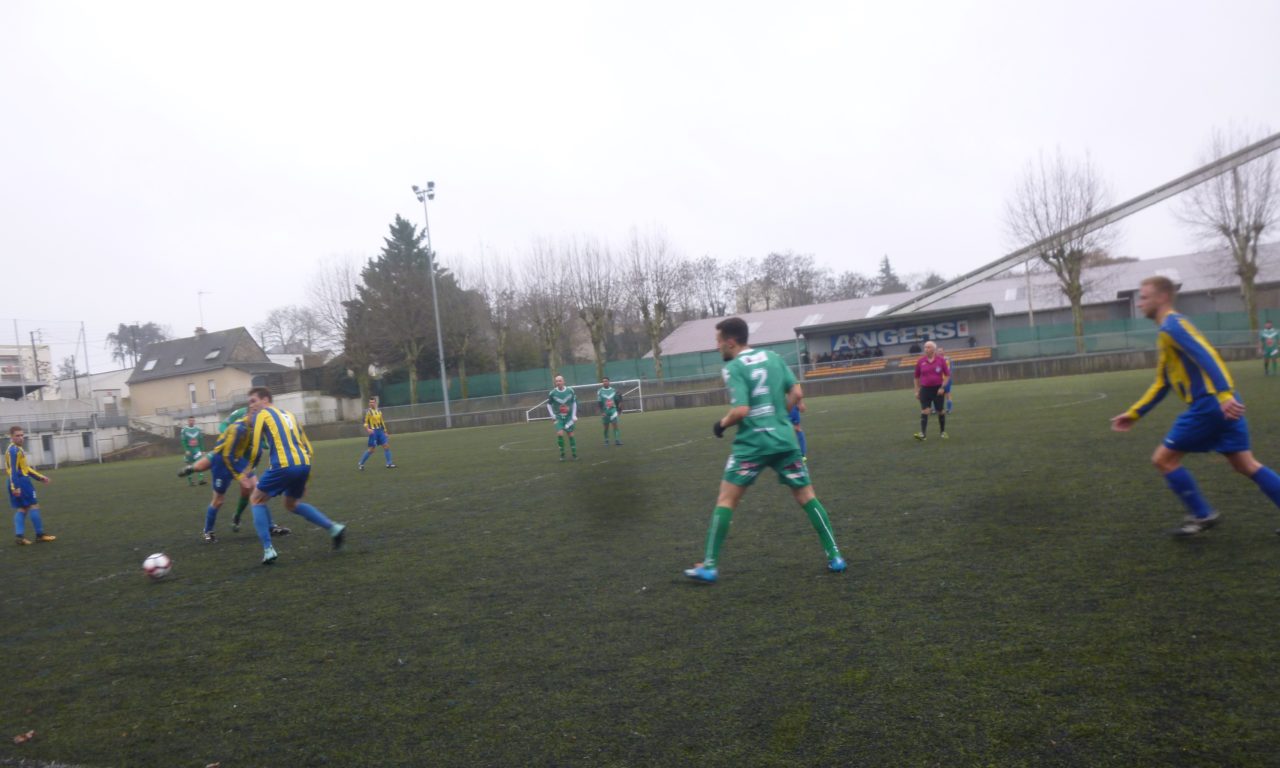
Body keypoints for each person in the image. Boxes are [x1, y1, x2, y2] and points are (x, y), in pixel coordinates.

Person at [1110, 276, 1280, 536]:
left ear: (1163, 297)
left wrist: (1223, 395)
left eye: (1144, 297)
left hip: (1209, 405)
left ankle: (1202, 515)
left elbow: (1206, 355)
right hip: (1222, 403)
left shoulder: (1172, 326)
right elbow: (1163, 381)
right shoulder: (1169, 330)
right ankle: (1202, 514)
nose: (1139, 303)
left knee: (1164, 460)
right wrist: (1134, 413)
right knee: (1245, 465)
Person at [683, 317, 845, 583]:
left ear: (731, 342)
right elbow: (797, 393)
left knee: (726, 500)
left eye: (719, 342)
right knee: (807, 497)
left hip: (753, 444)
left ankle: (710, 565)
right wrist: (781, 414)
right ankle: (835, 555)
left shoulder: (734, 367)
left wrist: (721, 425)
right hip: (784, 440)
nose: (717, 347)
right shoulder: (773, 357)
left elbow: (741, 410)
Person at [245, 387, 347, 564]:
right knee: (291, 504)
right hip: (303, 463)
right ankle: (334, 528)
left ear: (265, 399)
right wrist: (305, 478)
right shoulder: (289, 415)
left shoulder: (263, 415)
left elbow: (256, 447)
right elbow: (307, 447)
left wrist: (249, 469)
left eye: (254, 401)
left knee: (256, 499)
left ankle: (268, 549)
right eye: (250, 403)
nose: (252, 406)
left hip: (283, 465)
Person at [180, 407, 288, 536]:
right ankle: (208, 530)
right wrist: (230, 436)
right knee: (217, 497)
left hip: (240, 460)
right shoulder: (240, 421)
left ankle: (268, 526)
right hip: (224, 456)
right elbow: (225, 436)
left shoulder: (260, 420)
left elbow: (262, 443)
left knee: (257, 489)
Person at [7, 426, 55, 545]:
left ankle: (19, 537)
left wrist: (40, 477)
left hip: (14, 481)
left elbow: (25, 468)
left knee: (22, 508)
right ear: (11, 437)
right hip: (20, 481)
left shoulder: (14, 448)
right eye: (17, 436)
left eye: (22, 435)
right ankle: (40, 535)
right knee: (34, 506)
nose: (21, 438)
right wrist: (16, 487)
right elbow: (14, 470)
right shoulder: (15, 450)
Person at [913, 341, 950, 440]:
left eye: (928, 347)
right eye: (925, 347)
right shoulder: (920, 361)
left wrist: (942, 388)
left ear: (934, 349)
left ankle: (942, 432)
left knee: (940, 411)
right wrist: (916, 391)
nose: (926, 349)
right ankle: (923, 434)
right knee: (925, 410)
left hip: (938, 389)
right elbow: (916, 377)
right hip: (925, 389)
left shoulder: (941, 360)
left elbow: (947, 375)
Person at [358, 397, 396, 469]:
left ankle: (389, 463)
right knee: (372, 449)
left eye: (373, 402)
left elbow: (382, 422)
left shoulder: (379, 411)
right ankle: (361, 463)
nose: (371, 403)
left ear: (375, 403)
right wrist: (368, 429)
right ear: (369, 403)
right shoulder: (368, 412)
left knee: (386, 446)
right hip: (373, 432)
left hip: (380, 431)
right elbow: (365, 422)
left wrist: (385, 431)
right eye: (370, 402)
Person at [547, 375, 578, 461]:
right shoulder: (552, 393)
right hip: (558, 417)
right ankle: (562, 455)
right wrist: (552, 415)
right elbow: (548, 404)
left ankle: (574, 454)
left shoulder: (570, 391)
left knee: (570, 435)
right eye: (557, 381)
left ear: (564, 381)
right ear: (555, 383)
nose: (558, 382)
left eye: (560, 381)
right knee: (560, 433)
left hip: (568, 417)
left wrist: (574, 415)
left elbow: (574, 403)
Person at [180, 416, 207, 486]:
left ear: (194, 421)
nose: (191, 422)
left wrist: (203, 450)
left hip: (197, 449)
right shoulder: (184, 430)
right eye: (190, 420)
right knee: (189, 465)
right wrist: (186, 450)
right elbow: (183, 441)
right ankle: (190, 482)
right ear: (188, 421)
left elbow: (201, 440)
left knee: (200, 463)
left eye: (193, 420)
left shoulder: (198, 429)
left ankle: (201, 480)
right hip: (189, 450)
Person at [597, 377, 622, 446]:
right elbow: (599, 403)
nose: (605, 382)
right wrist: (602, 412)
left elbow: (617, 400)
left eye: (606, 381)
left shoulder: (614, 390)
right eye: (603, 381)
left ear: (609, 382)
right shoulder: (600, 391)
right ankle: (606, 441)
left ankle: (617, 440)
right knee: (606, 427)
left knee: (615, 425)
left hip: (613, 410)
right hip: (605, 411)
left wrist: (619, 409)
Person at [937, 345, 954, 414]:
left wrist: (948, 377)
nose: (939, 352)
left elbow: (950, 369)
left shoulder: (948, 359)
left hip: (946, 379)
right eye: (938, 351)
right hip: (937, 380)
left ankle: (949, 409)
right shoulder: (936, 359)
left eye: (941, 351)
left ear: (944, 351)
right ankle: (937, 409)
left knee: (947, 394)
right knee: (937, 395)